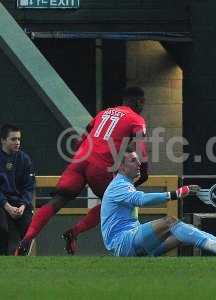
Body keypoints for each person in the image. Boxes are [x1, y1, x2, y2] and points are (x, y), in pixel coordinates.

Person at [16, 87, 149, 256]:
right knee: (117, 203)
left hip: (80, 161)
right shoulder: (137, 119)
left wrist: (79, 160)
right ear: (140, 102)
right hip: (100, 167)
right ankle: (75, 232)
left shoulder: (104, 113)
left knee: (57, 201)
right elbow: (142, 149)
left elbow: (83, 137)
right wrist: (144, 173)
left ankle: (26, 240)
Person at [101, 151, 216, 257]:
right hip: (123, 244)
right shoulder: (118, 185)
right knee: (170, 222)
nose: (139, 164)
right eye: (133, 161)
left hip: (132, 244)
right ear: (121, 166)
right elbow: (141, 200)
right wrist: (176, 193)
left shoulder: (124, 184)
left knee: (180, 233)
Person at [0, 124, 34, 255]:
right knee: (3, 227)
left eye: (19, 139)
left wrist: (23, 205)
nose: (17, 142)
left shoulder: (24, 159)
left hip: (20, 204)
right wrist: (7, 206)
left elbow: (29, 186)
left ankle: (22, 259)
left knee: (30, 226)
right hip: (2, 204)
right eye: (13, 139)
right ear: (3, 140)